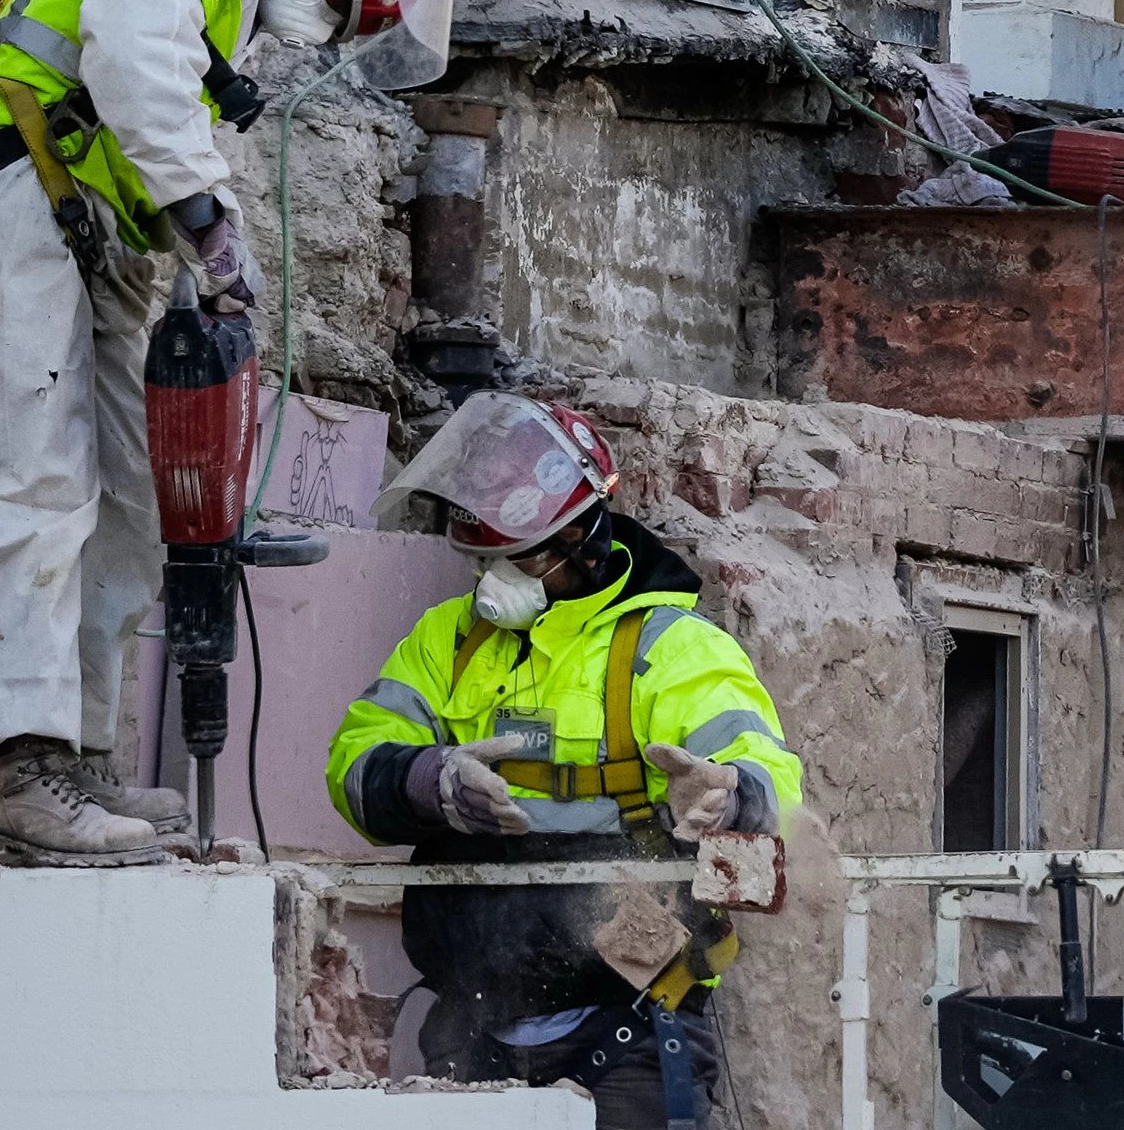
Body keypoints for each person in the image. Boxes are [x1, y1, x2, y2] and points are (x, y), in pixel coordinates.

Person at [0, 0, 415, 866]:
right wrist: (211, 227)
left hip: (85, 227)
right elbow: (129, 66)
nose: (324, 16)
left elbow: (152, 111)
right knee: (36, 477)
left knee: (129, 507)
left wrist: (199, 237)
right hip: (17, 198)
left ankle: (76, 757)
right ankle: (13, 760)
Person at [327, 394, 804, 1128]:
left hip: (633, 1027)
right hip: (470, 1025)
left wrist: (730, 794)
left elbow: (769, 781)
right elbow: (354, 764)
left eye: (516, 560)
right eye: (483, 561)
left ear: (581, 539)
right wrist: (428, 781)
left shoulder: (673, 647)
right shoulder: (448, 638)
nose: (493, 582)